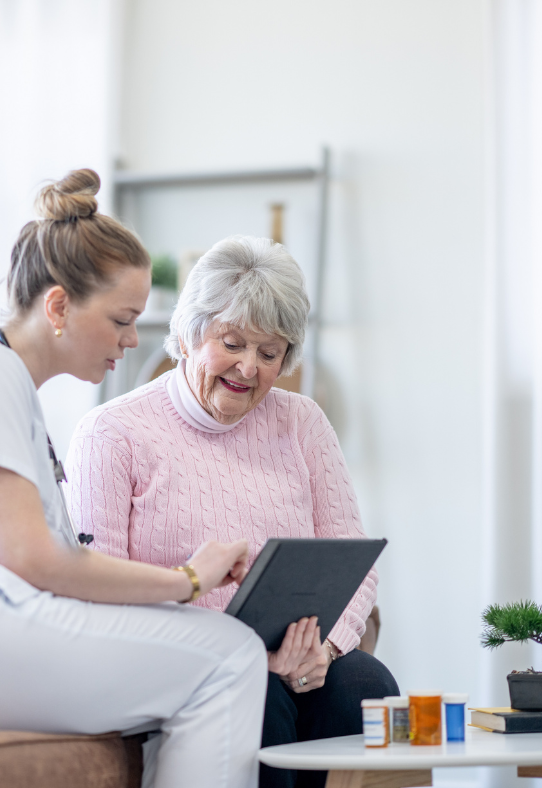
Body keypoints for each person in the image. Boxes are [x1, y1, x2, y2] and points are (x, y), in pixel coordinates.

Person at [0, 171, 268, 788]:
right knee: (229, 657)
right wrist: (186, 580)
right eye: (123, 319)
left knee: (212, 654)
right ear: (59, 305)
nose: (131, 339)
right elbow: (32, 558)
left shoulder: (9, 385)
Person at [66, 236, 399, 788]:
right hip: (186, 662)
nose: (248, 367)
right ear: (190, 333)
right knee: (255, 694)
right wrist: (234, 653)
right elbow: (98, 589)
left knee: (365, 683)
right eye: (233, 342)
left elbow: (355, 560)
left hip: (296, 658)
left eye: (269, 354)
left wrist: (326, 648)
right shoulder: (111, 433)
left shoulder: (303, 422)